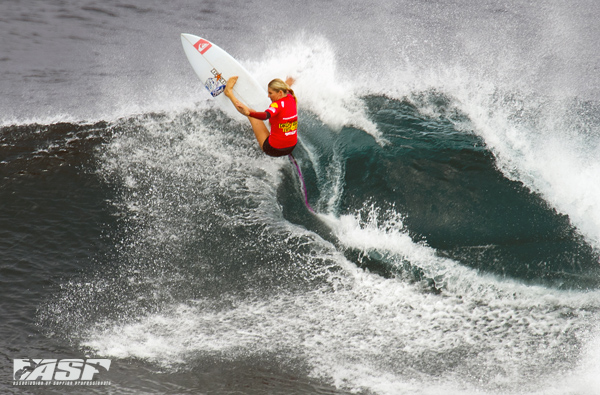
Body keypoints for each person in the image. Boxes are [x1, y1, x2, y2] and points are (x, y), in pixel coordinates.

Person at [224, 76, 298, 157]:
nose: (268, 96)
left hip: (273, 149)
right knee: (278, 121)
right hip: (291, 147)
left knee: (252, 114)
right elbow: (286, 87)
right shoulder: (291, 97)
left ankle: (229, 93)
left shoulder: (277, 105)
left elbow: (265, 115)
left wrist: (249, 113)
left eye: (270, 93)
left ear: (280, 93)